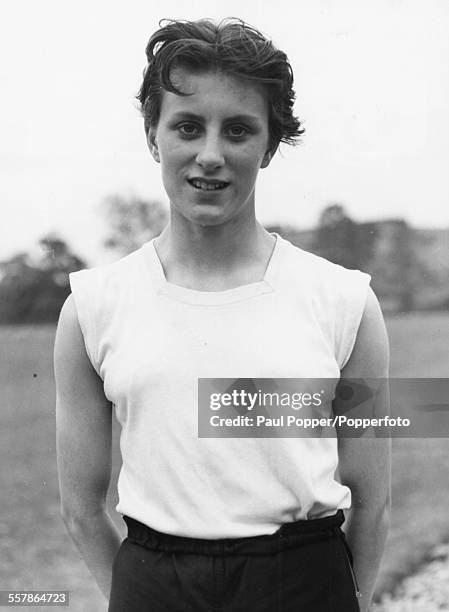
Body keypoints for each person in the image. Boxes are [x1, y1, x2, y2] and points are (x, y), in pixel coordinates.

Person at [54, 18, 391, 612]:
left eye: (237, 130)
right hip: (154, 583)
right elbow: (81, 510)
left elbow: (371, 499)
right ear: (153, 136)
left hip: (305, 583)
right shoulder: (91, 307)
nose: (210, 155)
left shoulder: (344, 302)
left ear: (268, 145)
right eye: (187, 126)